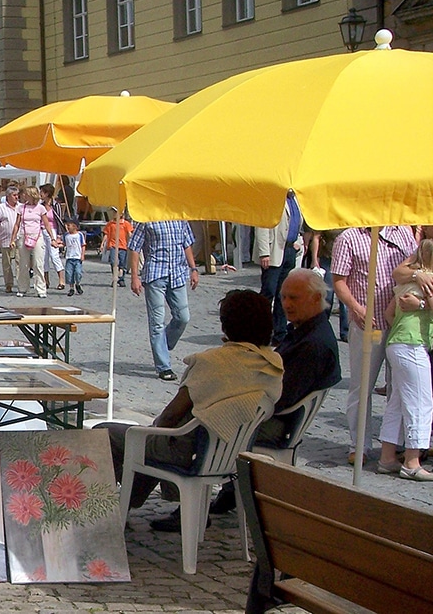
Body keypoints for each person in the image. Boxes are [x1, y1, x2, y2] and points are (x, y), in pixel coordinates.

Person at [104, 290, 283, 530]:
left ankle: (106, 511)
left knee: (110, 432)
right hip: (231, 453)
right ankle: (123, 507)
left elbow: (170, 415)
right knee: (147, 442)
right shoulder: (272, 364)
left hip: (190, 450)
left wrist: (153, 431)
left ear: (226, 325)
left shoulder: (212, 362)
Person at [209, 269, 342, 514]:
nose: (286, 305)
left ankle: (191, 501)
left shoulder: (312, 344)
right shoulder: (305, 331)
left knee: (207, 421)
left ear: (316, 299)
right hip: (275, 415)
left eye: (294, 298)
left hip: (276, 423)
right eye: (283, 297)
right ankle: (223, 493)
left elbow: (280, 397)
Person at [332, 225, 415, 462]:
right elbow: (339, 280)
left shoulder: (403, 232)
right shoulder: (350, 237)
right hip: (370, 324)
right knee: (362, 385)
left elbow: (412, 268)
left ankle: (394, 442)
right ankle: (359, 444)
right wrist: (356, 307)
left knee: (397, 387)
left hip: (401, 323)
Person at [378, 241, 433, 480]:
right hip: (413, 345)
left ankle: (387, 457)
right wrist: (422, 305)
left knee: (397, 403)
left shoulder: (405, 282)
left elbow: (389, 313)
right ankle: (412, 461)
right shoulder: (429, 280)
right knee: (421, 402)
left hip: (397, 342)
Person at [129, 220, 200, 381]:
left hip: (178, 274)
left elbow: (187, 243)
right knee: (157, 322)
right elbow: (134, 248)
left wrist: (193, 269)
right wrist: (134, 276)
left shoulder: (179, 219)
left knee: (183, 317)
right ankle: (163, 366)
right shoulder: (146, 220)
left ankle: (162, 345)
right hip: (155, 274)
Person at [255, 192, 303, 344]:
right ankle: (259, 330)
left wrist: (298, 243)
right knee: (268, 292)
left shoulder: (295, 200)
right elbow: (262, 225)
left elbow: (297, 224)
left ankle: (280, 333)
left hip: (289, 250)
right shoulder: (271, 198)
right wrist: (264, 253)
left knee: (284, 294)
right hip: (273, 251)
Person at [14, 186, 50, 298]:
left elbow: (46, 223)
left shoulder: (40, 208)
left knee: (38, 263)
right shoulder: (21, 208)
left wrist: (52, 237)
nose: (24, 196)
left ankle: (40, 288)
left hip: (37, 236)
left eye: (26, 194)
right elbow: (17, 224)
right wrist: (13, 238)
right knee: (23, 264)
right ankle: (23, 287)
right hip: (24, 235)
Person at [0, 185, 22, 293]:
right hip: (5, 240)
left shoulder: (21, 207)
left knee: (20, 262)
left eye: (17, 195)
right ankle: (8, 284)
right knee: (7, 264)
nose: (16, 197)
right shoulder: (0, 208)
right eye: (14, 195)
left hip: (19, 239)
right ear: (8, 196)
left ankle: (20, 284)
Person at [40, 183, 67, 291]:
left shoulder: (56, 205)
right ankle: (46, 280)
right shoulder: (40, 206)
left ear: (47, 193)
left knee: (54, 255)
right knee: (43, 256)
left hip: (53, 231)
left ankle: (61, 279)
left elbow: (59, 219)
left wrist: (59, 236)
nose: (40, 194)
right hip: (41, 231)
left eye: (42, 192)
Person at [103, 213, 134, 287]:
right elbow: (106, 234)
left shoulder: (125, 223)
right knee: (114, 262)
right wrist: (103, 244)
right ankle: (115, 279)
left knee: (122, 264)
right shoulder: (110, 223)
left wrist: (132, 242)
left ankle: (121, 279)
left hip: (123, 246)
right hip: (113, 245)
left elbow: (130, 233)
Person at [63, 219, 85, 296]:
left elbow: (83, 245)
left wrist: (82, 255)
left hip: (77, 257)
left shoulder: (79, 235)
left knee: (78, 272)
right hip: (69, 257)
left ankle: (78, 284)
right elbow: (64, 244)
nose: (67, 227)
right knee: (69, 273)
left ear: (75, 226)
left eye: (69, 225)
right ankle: (71, 288)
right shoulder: (66, 235)